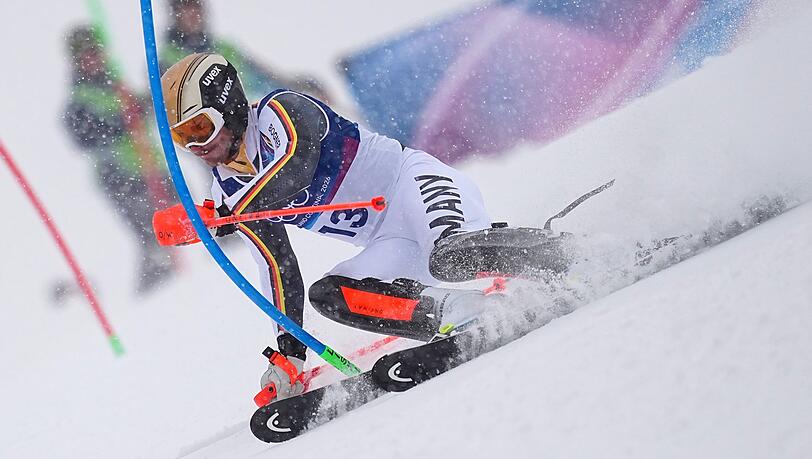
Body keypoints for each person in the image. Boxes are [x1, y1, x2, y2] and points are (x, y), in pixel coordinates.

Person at [158, 53, 556, 402]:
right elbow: (277, 266)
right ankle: (463, 312)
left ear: (229, 108)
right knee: (330, 295)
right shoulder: (229, 188)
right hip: (391, 241)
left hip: (415, 188)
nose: (195, 147)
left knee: (450, 257)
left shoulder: (282, 112)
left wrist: (231, 213)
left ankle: (562, 253)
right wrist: (290, 352)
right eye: (181, 138)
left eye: (199, 129)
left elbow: (296, 166)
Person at [63, 26, 176, 294]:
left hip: (154, 169)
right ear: (76, 63)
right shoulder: (80, 99)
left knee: (192, 219)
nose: (91, 60)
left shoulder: (117, 85)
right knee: (153, 236)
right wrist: (122, 120)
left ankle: (190, 279)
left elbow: (146, 109)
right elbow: (84, 134)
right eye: (84, 57)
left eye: (95, 53)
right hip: (122, 178)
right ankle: (157, 293)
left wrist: (149, 103)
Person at [161, 0, 330, 102]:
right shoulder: (168, 58)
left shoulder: (224, 47)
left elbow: (265, 76)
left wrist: (301, 84)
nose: (192, 15)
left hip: (257, 118)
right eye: (186, 9)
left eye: (196, 8)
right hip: (220, 138)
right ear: (176, 15)